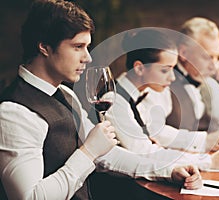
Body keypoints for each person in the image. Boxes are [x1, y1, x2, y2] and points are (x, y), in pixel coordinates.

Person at [0, 1, 202, 199]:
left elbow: (105, 154)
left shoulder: (65, 94)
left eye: (87, 47)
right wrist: (87, 152)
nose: (87, 57)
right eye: (78, 46)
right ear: (44, 46)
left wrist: (168, 170)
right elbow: (30, 197)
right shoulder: (14, 112)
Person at [104, 28, 219, 172]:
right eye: (165, 70)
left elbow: (158, 133)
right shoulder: (115, 102)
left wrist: (204, 141)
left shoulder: (140, 94)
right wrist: (208, 161)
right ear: (140, 68)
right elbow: (146, 152)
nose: (172, 78)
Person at [166, 17, 219, 143]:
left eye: (217, 57)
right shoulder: (163, 83)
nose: (214, 64)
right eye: (208, 57)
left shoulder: (211, 85)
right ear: (183, 52)